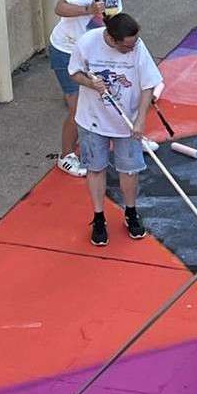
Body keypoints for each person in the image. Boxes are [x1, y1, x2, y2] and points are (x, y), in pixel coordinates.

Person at [48, 0, 146, 178]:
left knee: (111, 93)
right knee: (76, 106)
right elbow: (60, 8)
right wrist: (88, 9)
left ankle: (125, 137)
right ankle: (67, 155)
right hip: (68, 49)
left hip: (94, 48)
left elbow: (112, 16)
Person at [68, 13, 162, 246]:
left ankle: (130, 212)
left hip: (126, 122)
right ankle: (99, 217)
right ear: (111, 38)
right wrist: (91, 83)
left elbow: (149, 84)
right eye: (126, 46)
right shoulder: (87, 43)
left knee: (130, 170)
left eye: (134, 44)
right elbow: (75, 72)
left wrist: (141, 119)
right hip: (92, 120)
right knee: (96, 168)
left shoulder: (138, 46)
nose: (132, 49)